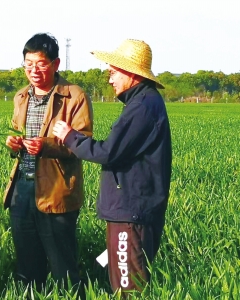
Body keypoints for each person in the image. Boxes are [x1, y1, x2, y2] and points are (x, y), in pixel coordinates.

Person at [52, 39, 172, 294]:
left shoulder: (142, 107)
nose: (110, 80)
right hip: (132, 210)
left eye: (113, 73)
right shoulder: (145, 102)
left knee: (127, 289)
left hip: (131, 213)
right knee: (116, 275)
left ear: (131, 73)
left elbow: (108, 153)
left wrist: (70, 136)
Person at [3, 33, 93, 291]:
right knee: (27, 263)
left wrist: (46, 147)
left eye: (40, 64)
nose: (34, 70)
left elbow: (82, 142)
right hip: (23, 186)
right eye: (28, 64)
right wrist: (13, 145)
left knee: (62, 265)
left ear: (55, 64)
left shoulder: (74, 96)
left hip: (56, 188)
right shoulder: (21, 96)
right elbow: (17, 132)